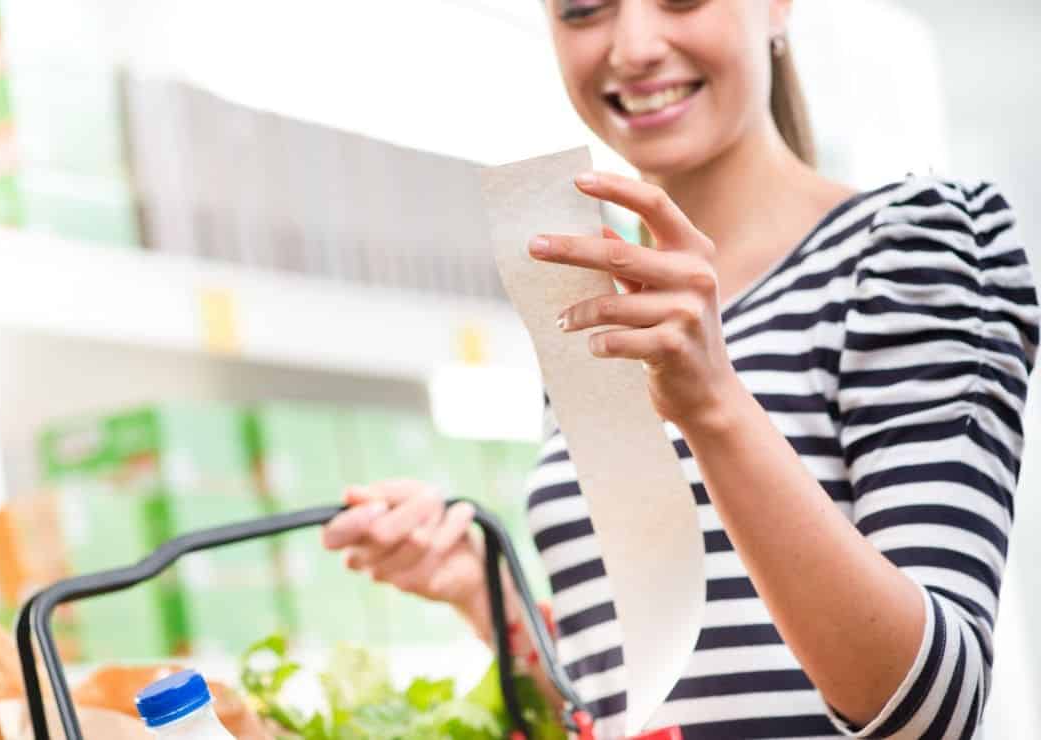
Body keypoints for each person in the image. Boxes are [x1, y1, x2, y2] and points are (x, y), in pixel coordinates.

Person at [321, 1, 1040, 737]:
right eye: (583, 9)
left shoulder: (913, 247)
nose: (632, 47)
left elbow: (936, 708)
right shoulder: (605, 304)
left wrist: (712, 403)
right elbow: (627, 697)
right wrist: (487, 598)